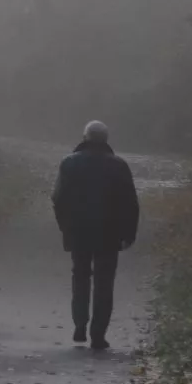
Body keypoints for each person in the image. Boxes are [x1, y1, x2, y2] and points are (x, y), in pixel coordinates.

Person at [52, 120, 139, 351]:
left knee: (80, 276)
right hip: (109, 234)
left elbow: (58, 198)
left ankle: (80, 324)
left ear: (84, 137)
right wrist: (129, 232)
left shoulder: (69, 164)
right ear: (106, 140)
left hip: (79, 231)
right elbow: (130, 202)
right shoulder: (119, 166)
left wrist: (65, 227)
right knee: (104, 282)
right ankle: (98, 334)